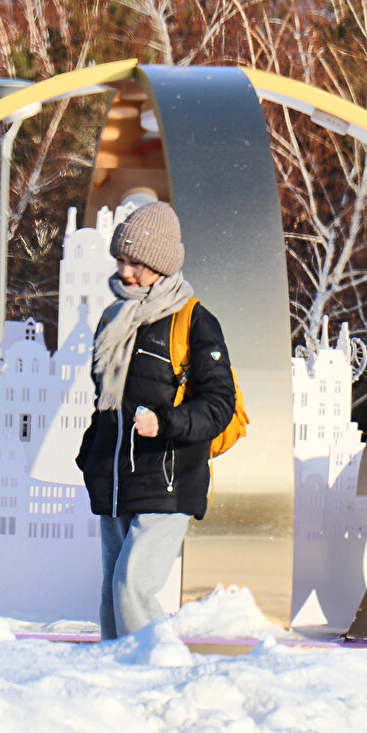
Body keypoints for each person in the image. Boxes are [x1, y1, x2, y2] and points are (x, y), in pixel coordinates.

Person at [75, 201, 236, 639]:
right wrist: (91, 452)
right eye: (121, 260)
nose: (125, 272)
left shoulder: (195, 321)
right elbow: (107, 399)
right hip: (114, 477)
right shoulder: (114, 319)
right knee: (112, 591)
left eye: (137, 263)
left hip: (168, 477)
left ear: (162, 265)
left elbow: (220, 403)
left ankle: (153, 672)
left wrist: (164, 423)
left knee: (133, 586)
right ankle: (115, 679)